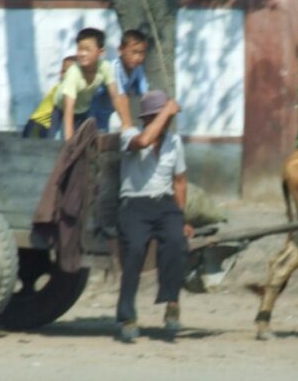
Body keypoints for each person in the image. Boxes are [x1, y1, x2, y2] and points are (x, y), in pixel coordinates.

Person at [115, 89, 194, 343]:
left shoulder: (174, 142)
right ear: (147, 118)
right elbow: (144, 141)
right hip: (134, 205)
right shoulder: (130, 134)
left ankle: (172, 302)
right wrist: (167, 111)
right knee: (135, 249)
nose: (166, 123)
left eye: (168, 118)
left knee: (176, 242)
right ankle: (127, 316)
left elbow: (180, 182)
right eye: (159, 117)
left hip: (164, 203)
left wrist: (182, 219)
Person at [53, 27, 132, 141]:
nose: (83, 54)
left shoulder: (105, 67)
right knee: (56, 141)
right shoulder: (73, 73)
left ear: (101, 52)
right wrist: (69, 142)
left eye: (87, 49)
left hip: (83, 110)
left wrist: (126, 126)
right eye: (80, 49)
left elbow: (116, 97)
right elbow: (68, 109)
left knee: (83, 142)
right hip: (61, 109)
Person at [89, 29, 151, 132]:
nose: (138, 57)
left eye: (142, 53)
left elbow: (146, 95)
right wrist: (128, 127)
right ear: (120, 50)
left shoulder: (138, 69)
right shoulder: (113, 68)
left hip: (110, 111)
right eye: (134, 52)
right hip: (94, 110)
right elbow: (121, 97)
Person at [22, 55, 76, 138]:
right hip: (37, 126)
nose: (61, 74)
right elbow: (57, 115)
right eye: (62, 71)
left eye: (66, 72)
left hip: (43, 126)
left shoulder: (66, 87)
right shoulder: (62, 89)